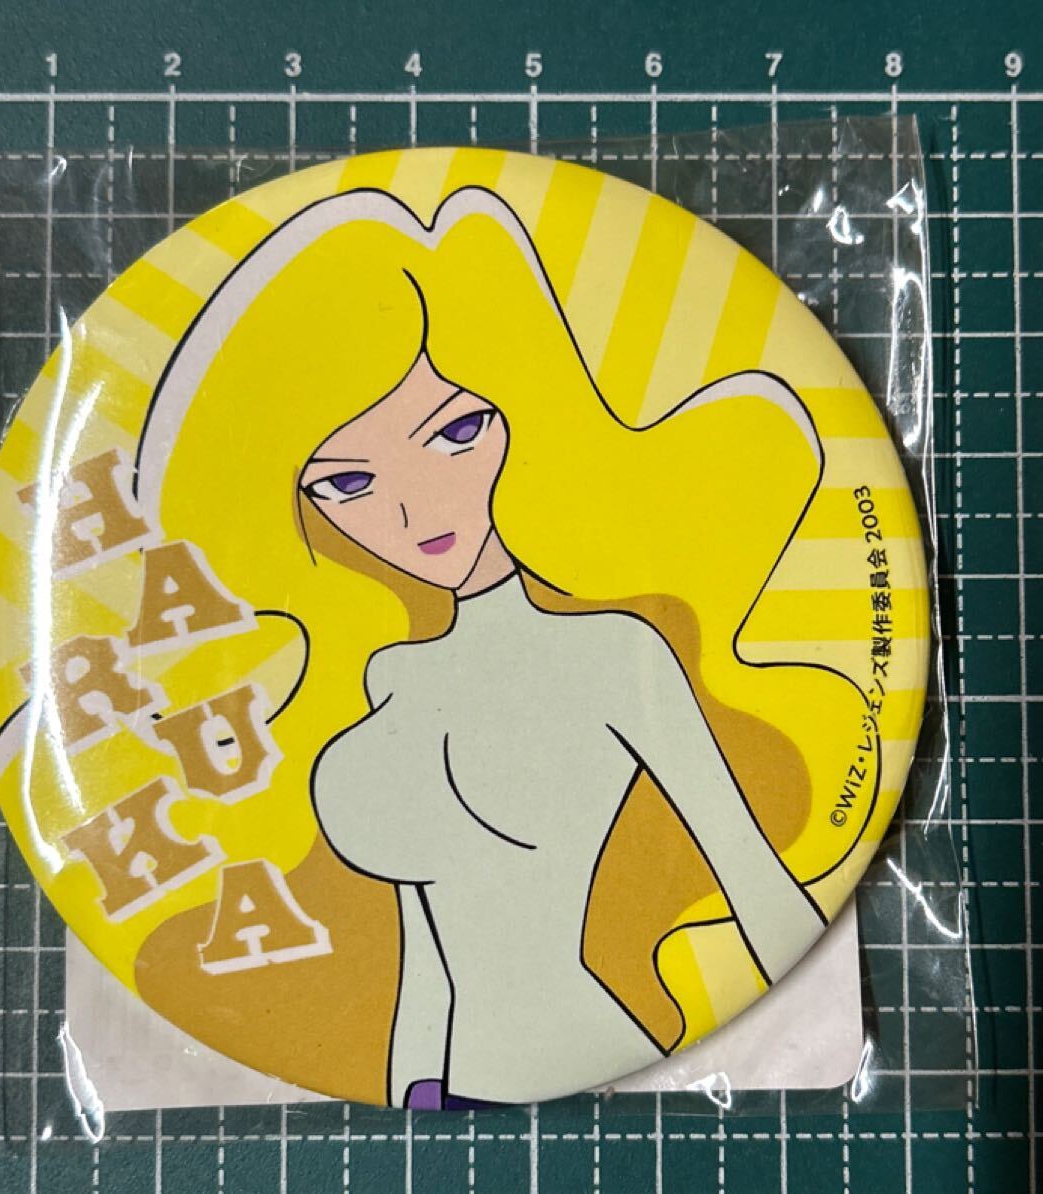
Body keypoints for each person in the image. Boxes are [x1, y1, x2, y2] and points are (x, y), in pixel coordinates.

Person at [136, 182, 874, 1107]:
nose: (414, 512)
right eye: (348, 483)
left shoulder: (616, 653)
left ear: (526, 407)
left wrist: (797, 1050)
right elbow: (428, 955)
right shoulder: (384, 681)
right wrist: (412, 1088)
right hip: (436, 1089)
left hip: (602, 1048)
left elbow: (753, 881)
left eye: (455, 431)